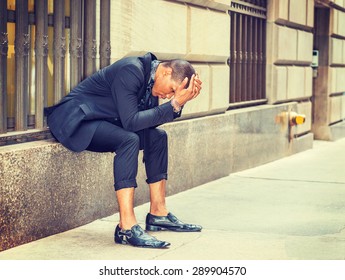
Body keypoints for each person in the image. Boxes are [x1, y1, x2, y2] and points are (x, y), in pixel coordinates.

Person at [45, 52, 202, 249]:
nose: (168, 96)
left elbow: (148, 121)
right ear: (165, 72)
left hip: (105, 120)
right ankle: (126, 227)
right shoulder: (132, 70)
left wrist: (178, 104)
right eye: (171, 90)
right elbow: (131, 123)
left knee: (158, 137)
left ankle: (158, 213)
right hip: (77, 120)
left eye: (174, 95)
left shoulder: (152, 83)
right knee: (129, 140)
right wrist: (174, 104)